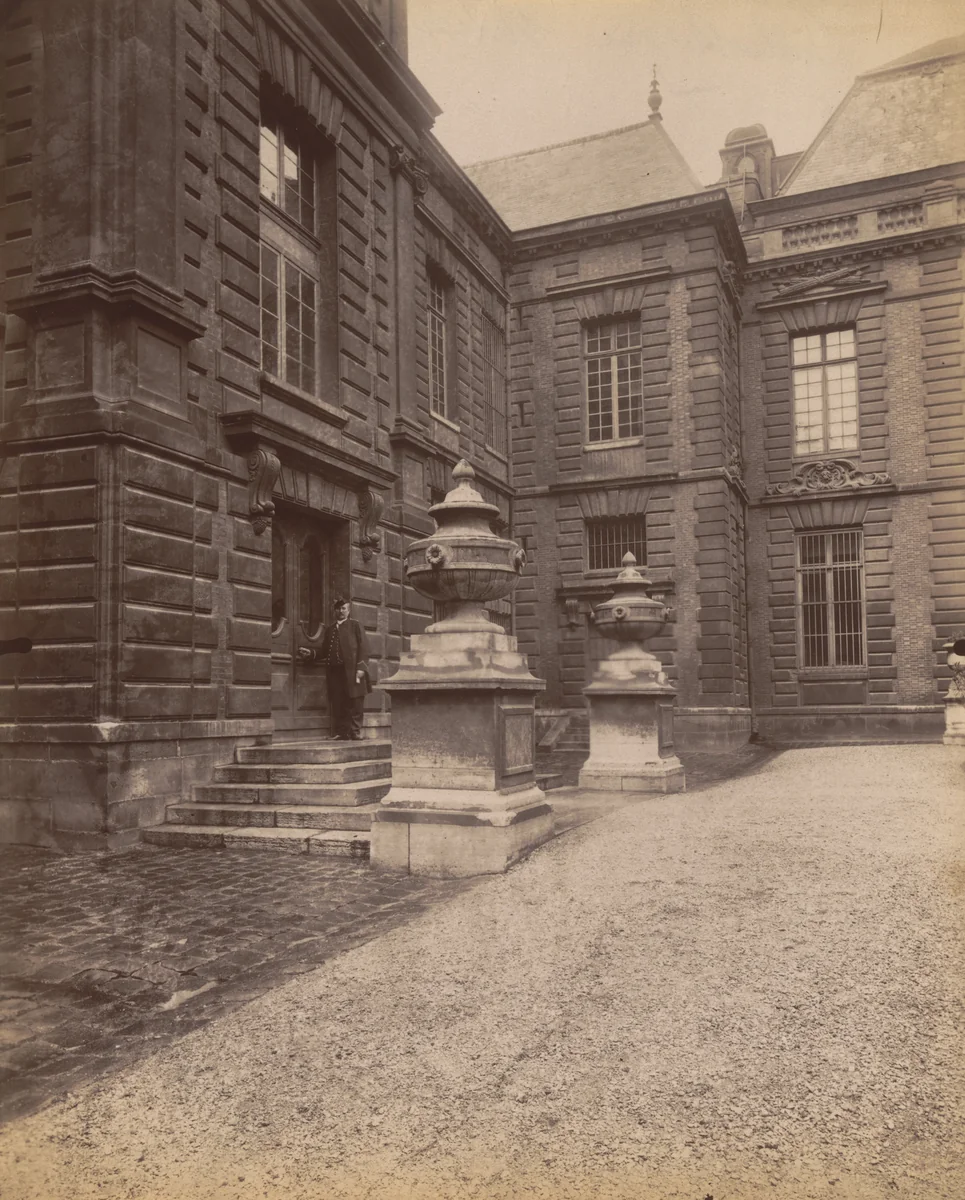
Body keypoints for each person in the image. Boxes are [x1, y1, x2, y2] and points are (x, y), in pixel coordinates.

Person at [297, 598, 371, 740]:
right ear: (334, 611)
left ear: (349, 611)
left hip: (352, 671)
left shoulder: (355, 625)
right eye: (338, 609)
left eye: (344, 608)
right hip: (335, 672)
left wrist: (361, 668)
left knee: (356, 701)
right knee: (339, 701)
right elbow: (324, 651)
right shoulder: (330, 630)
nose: (341, 611)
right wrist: (311, 653)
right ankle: (341, 732)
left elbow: (364, 648)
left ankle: (355, 732)